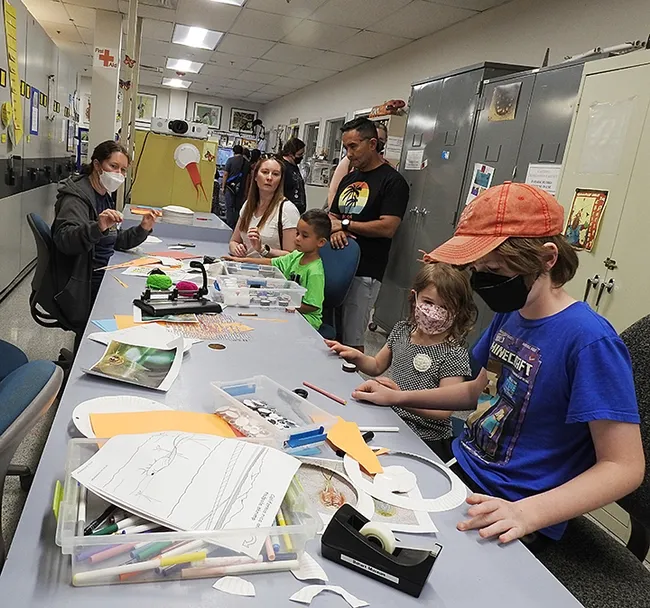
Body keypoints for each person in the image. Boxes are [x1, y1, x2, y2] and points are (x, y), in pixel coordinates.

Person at [352, 182, 644, 549]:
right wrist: (399, 396)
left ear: (546, 258)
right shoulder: (512, 316)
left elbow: (624, 467)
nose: (483, 282)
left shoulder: (589, 341)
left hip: (514, 504)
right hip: (465, 468)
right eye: (477, 269)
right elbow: (477, 392)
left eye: (493, 269)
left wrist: (528, 514)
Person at [325, 263, 475, 458]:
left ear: (458, 311)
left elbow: (444, 410)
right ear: (415, 298)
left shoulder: (454, 352)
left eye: (445, 307)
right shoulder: (402, 330)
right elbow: (376, 366)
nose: (434, 312)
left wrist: (399, 397)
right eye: (428, 302)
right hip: (392, 418)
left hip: (426, 436)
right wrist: (357, 357)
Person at [51, 140, 159, 334]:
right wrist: (97, 227)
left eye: (123, 170)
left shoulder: (103, 194)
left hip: (104, 268)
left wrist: (143, 228)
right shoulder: (76, 198)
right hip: (84, 279)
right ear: (97, 165)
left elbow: (114, 239)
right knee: (131, 311)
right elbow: (65, 240)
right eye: (113, 166)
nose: (118, 174)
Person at [329, 117, 410, 352]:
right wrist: (337, 227)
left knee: (352, 340)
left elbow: (388, 227)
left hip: (365, 271)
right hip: (335, 264)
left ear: (372, 144)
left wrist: (345, 225)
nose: (348, 154)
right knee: (333, 333)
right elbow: (332, 217)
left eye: (353, 146)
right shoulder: (349, 178)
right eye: (345, 147)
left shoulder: (393, 182)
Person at [225, 209, 331, 330]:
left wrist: (281, 304)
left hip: (306, 320)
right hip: (288, 309)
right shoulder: (296, 256)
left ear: (321, 242)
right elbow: (271, 263)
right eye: (297, 233)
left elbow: (312, 306)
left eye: (304, 236)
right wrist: (241, 261)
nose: (297, 239)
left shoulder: (314, 271)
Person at [228, 156, 299, 259]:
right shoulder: (248, 205)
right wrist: (236, 248)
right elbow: (234, 241)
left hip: (270, 271)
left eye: (275, 174)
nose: (269, 178)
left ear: (280, 180)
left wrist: (263, 250)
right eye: (265, 172)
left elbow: (292, 256)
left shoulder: (287, 210)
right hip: (244, 268)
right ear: (256, 176)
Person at [327, 123, 388, 209]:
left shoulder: (387, 168)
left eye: (381, 139)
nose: (378, 142)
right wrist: (334, 214)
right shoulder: (350, 160)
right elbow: (333, 190)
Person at [222, 144, 250, 229]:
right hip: (241, 187)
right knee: (238, 208)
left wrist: (223, 186)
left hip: (230, 187)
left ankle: (229, 225)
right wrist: (246, 190)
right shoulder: (247, 163)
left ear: (233, 151)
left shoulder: (230, 160)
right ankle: (237, 227)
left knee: (229, 207)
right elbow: (248, 178)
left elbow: (225, 174)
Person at [282, 138, 307, 214]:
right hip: (286, 211)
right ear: (290, 154)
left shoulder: (294, 166)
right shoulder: (282, 167)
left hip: (296, 210)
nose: (301, 157)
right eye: (299, 154)